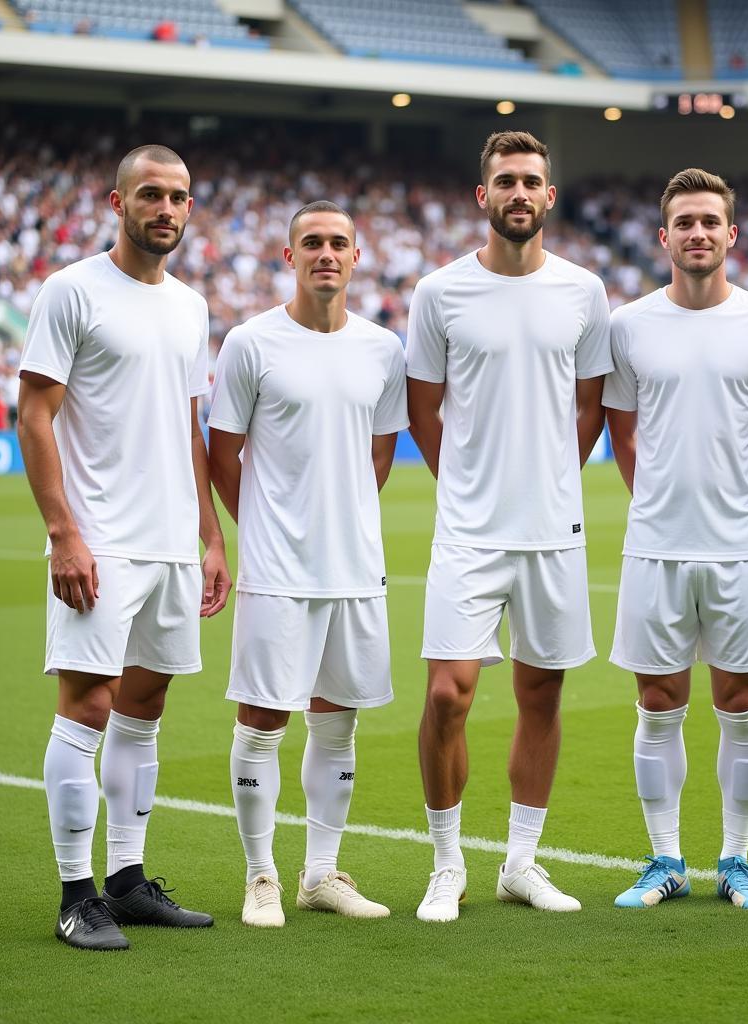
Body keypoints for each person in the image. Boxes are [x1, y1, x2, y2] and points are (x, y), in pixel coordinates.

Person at [17, 144, 231, 951]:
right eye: (151, 194)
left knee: (144, 709)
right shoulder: (72, 291)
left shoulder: (189, 305)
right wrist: (64, 533)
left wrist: (210, 535)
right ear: (117, 202)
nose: (166, 209)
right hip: (100, 540)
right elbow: (34, 415)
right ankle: (76, 896)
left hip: (173, 542)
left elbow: (187, 425)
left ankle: (128, 880)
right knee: (88, 708)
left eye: (177, 196)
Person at [406, 130, 611, 922]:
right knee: (448, 694)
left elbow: (591, 404)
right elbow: (424, 408)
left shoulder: (583, 290)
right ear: (481, 196)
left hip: (553, 530)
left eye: (531, 181)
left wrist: (553, 476)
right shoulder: (439, 293)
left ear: (548, 196)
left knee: (541, 694)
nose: (518, 193)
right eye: (505, 182)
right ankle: (447, 862)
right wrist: (467, 479)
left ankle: (520, 862)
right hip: (469, 530)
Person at [208, 201, 406, 928]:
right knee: (263, 719)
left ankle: (320, 873)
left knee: (337, 722)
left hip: (355, 566)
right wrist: (259, 525)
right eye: (312, 243)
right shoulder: (251, 342)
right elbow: (221, 453)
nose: (327, 253)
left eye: (339, 243)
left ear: (357, 258)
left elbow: (379, 454)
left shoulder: (384, 348)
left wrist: (340, 517)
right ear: (288, 256)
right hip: (276, 567)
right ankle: (260, 876)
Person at [604, 168, 748, 911]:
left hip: (740, 546)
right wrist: (658, 500)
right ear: (664, 237)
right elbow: (621, 429)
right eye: (685, 223)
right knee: (657, 700)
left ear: (731, 234)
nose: (698, 233)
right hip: (656, 544)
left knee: (741, 701)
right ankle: (665, 859)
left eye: (711, 222)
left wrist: (737, 502)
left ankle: (737, 861)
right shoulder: (630, 325)